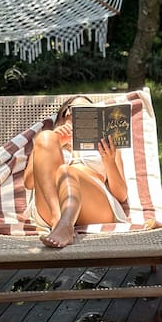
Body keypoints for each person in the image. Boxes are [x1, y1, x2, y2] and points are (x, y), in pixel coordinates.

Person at [24, 96, 128, 249]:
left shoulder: (107, 143)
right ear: (63, 115)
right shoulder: (48, 140)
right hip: (50, 207)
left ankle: (64, 225)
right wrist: (57, 142)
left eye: (88, 111)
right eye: (75, 110)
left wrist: (109, 161)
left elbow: (121, 195)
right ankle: (59, 221)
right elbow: (29, 183)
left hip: (94, 207)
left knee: (66, 171)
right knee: (46, 137)